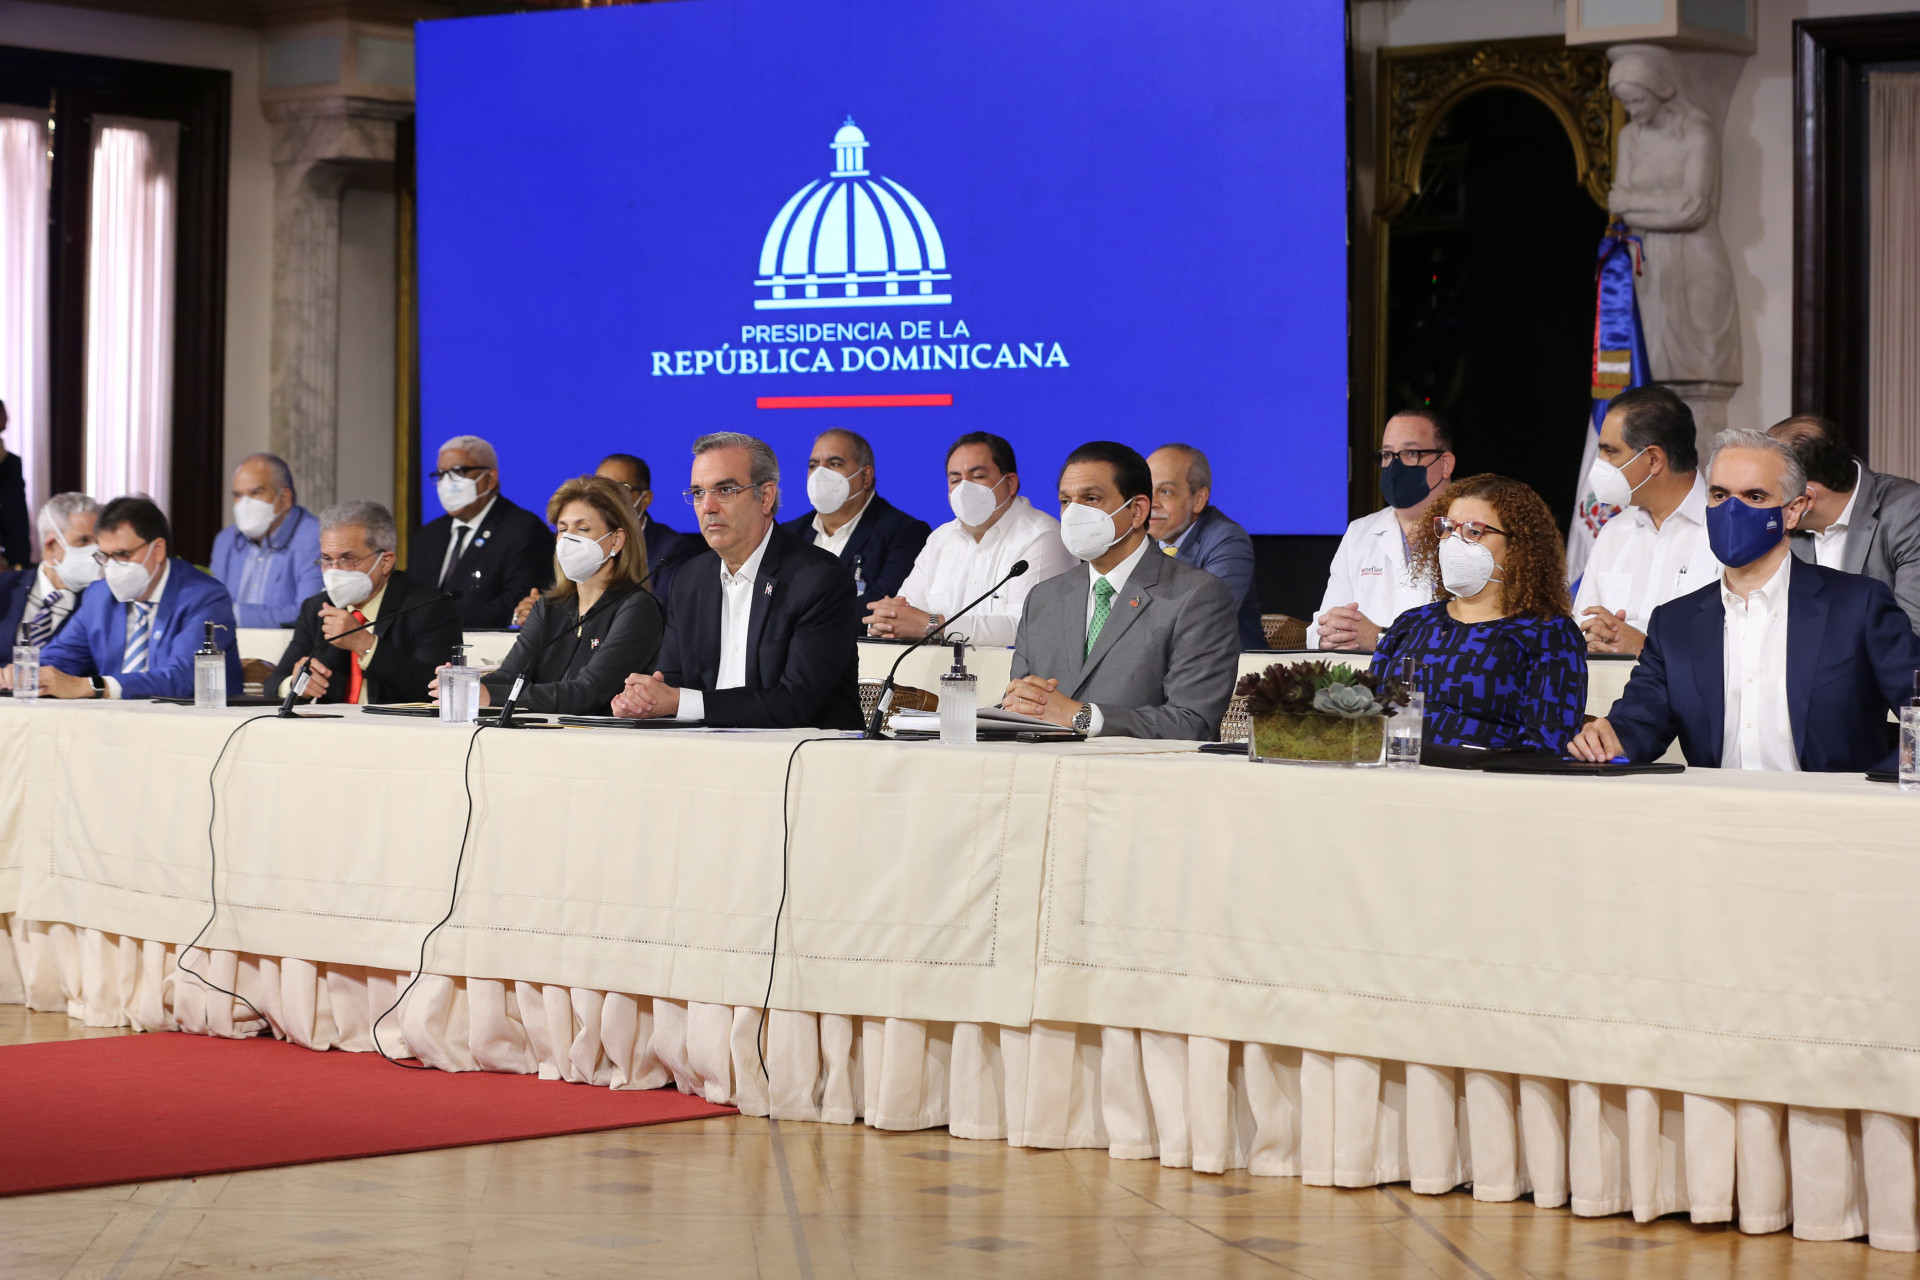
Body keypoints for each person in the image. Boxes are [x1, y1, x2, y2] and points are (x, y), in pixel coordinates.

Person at [1570, 430, 1920, 772]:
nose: (1732, 510)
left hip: (1834, 807)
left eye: (1754, 497)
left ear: (1793, 511)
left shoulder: (1858, 606)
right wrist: (1610, 738)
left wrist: (1876, 787)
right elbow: (1640, 721)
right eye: (1720, 495)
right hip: (1716, 808)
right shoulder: (1675, 622)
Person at [610, 433, 861, 729]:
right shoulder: (690, 580)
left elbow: (796, 703)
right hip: (706, 747)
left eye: (725, 490)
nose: (708, 507)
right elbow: (673, 680)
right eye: (698, 493)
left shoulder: (818, 579)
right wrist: (645, 699)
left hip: (802, 750)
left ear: (765, 497)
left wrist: (679, 702)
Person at [1003, 442, 1239, 739]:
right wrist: (1014, 706)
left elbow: (1192, 723)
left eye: (1091, 498)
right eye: (1065, 501)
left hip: (1139, 768)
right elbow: (1022, 706)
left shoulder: (1197, 596)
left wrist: (1082, 716)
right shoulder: (1043, 598)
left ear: (1138, 510)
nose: (1073, 513)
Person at [1372, 474, 1588, 752]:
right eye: (1448, 528)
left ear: (1518, 547)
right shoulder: (1412, 623)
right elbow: (1369, 717)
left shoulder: (1549, 633)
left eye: (1474, 532)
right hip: (1396, 770)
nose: (1453, 542)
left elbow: (1548, 745)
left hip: (1487, 776)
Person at [452, 476, 663, 715]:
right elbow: (509, 675)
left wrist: (491, 696)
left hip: (600, 735)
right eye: (562, 529)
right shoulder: (549, 606)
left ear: (616, 540)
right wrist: (463, 685)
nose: (568, 539)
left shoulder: (637, 608)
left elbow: (588, 692)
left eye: (582, 528)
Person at [5, 496, 241, 700]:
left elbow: (185, 677)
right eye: (104, 556)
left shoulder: (204, 596)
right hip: (112, 724)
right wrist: (22, 673)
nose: (112, 567)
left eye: (122, 554)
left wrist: (94, 686)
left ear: (157, 550)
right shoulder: (99, 595)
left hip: (191, 727)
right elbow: (61, 657)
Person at [865, 432, 1073, 646]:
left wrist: (934, 626)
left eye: (978, 476)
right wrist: (888, 621)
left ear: (1010, 483)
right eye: (955, 480)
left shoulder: (1041, 536)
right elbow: (906, 613)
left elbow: (1028, 627)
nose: (964, 488)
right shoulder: (940, 539)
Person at [1573, 385, 1720, 654]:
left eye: (1610, 451)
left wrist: (1645, 649)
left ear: (1653, 459)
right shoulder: (1613, 532)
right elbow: (1581, 631)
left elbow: (1738, 647)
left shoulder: (1725, 530)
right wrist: (1594, 639)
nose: (1599, 463)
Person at [271, 500, 462, 706]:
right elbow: (273, 683)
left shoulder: (429, 607)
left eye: (348, 559)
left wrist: (365, 645)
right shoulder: (317, 608)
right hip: (331, 724)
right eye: (327, 559)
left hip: (394, 725)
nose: (334, 570)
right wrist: (296, 685)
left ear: (385, 562)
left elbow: (435, 690)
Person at [1311, 409, 1457, 649]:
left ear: (1445, 464)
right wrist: (1329, 635)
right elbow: (1320, 627)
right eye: (1387, 455)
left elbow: (1475, 636)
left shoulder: (1471, 532)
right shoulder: (1359, 532)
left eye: (1410, 453)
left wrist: (1379, 638)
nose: (1395, 465)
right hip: (1361, 672)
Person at [1770, 414, 1920, 635]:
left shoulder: (1908, 512)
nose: (1760, 505)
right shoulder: (1775, 527)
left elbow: (1911, 633)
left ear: (1806, 499)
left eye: (1767, 492)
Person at [780, 428, 931, 625]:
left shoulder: (905, 533)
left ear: (865, 476)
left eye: (834, 464)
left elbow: (883, 605)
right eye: (813, 465)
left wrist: (802, 622)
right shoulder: (788, 534)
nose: (820, 473)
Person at [409, 434, 552, 628]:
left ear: (490, 479)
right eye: (441, 474)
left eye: (458, 471)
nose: (447, 482)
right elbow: (411, 598)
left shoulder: (523, 529)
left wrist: (444, 625)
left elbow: (517, 599)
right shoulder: (428, 536)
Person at [1146, 443, 1264, 650]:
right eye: (1146, 490)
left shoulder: (1227, 540)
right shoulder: (1137, 539)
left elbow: (1206, 621)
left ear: (1199, 499)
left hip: (1230, 667)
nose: (1151, 502)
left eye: (1165, 491)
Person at [208, 453, 324, 629]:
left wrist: (234, 614)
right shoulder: (226, 540)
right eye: (238, 495)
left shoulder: (315, 537)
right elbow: (212, 605)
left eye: (256, 493)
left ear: (284, 498)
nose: (245, 504)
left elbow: (308, 613)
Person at [0, 494, 99, 649]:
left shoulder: (101, 604)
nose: (96, 552)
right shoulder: (4, 587)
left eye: (99, 543)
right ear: (51, 546)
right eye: (84, 541)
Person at [0, 401, 30, 569]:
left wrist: (20, 560)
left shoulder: (11, 462)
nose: (7, 419)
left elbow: (17, 515)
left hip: (10, 553)